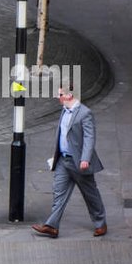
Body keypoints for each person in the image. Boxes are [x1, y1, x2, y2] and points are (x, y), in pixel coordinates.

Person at [32, 88, 107, 239]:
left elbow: (89, 138)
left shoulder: (85, 113)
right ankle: (52, 226)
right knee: (58, 192)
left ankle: (101, 223)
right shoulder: (64, 110)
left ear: (69, 95)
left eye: (60, 94)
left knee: (90, 193)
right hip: (63, 160)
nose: (57, 97)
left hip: (78, 162)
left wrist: (85, 159)